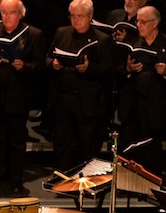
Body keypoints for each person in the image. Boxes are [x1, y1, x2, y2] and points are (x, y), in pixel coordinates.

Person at [0, 0, 43, 197]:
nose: (7, 17)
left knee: (17, 140)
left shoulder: (33, 34)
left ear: (21, 14)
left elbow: (41, 67)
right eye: (4, 13)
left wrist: (24, 67)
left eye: (12, 13)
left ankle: (16, 180)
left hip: (19, 96)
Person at [46, 0, 113, 173]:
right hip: (63, 98)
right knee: (62, 143)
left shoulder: (102, 39)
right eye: (72, 16)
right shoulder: (62, 33)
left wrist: (89, 69)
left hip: (87, 101)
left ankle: (86, 180)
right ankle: (62, 179)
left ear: (90, 16)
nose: (75, 20)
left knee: (87, 143)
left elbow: (108, 70)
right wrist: (53, 64)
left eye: (80, 16)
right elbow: (48, 57)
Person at [115, 6, 166, 178]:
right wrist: (127, 68)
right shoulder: (130, 43)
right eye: (137, 21)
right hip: (132, 103)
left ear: (155, 23)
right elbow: (116, 70)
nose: (139, 25)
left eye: (143, 22)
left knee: (150, 146)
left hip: (155, 105)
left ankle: (151, 182)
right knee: (127, 143)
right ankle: (125, 182)